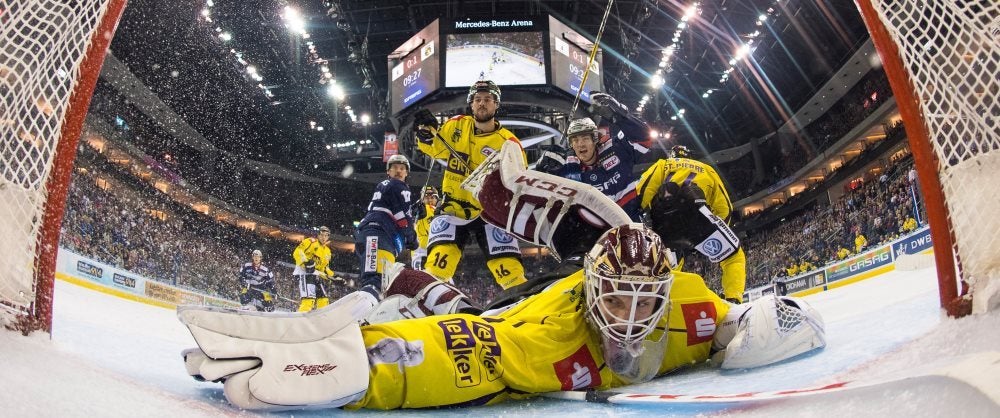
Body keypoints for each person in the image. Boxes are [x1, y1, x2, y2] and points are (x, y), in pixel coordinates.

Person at [179, 145, 826, 411]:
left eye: (642, 301)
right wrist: (366, 373)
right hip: (522, 317)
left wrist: (755, 319)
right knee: (452, 322)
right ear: (590, 287)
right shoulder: (564, 337)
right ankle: (390, 301)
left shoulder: (694, 303)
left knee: (449, 306)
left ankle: (401, 292)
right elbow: (465, 356)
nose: (628, 318)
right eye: (616, 298)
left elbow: (772, 320)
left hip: (522, 305)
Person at [411, 79, 528, 290]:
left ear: (496, 104)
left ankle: (522, 307)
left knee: (510, 272)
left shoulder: (509, 143)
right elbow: (435, 147)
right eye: (477, 100)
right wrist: (424, 133)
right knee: (436, 268)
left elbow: (519, 183)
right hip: (453, 209)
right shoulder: (456, 125)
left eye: (487, 100)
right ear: (471, 104)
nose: (482, 103)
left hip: (490, 213)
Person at [637, 145, 748, 303]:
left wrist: (644, 225)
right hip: (695, 215)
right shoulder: (707, 169)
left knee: (670, 264)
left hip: (663, 221)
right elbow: (725, 208)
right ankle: (734, 299)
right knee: (733, 258)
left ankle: (664, 301)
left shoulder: (663, 164)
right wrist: (714, 232)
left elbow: (641, 193)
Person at [537, 92, 650, 221]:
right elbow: (537, 193)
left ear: (595, 139)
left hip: (629, 227)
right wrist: (541, 172)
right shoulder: (567, 167)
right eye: (575, 140)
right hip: (593, 236)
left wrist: (619, 115)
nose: (580, 144)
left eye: (585, 138)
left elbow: (644, 137)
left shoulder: (617, 149)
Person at [354, 154, 418, 301]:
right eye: (395, 167)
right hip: (379, 235)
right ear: (388, 172)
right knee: (375, 283)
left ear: (406, 172)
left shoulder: (386, 186)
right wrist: (412, 237)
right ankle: (352, 319)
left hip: (375, 235)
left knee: (379, 285)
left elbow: (392, 207)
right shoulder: (400, 187)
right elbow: (402, 218)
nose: (399, 171)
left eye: (402, 168)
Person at [292, 226, 337, 312]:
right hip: (304, 273)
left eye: (326, 235)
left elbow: (324, 268)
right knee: (309, 301)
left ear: (328, 237)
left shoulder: (327, 251)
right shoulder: (310, 242)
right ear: (318, 235)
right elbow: (298, 251)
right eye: (322, 235)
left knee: (324, 300)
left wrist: (334, 276)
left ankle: (320, 321)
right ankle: (299, 322)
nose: (324, 237)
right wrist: (305, 262)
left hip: (316, 275)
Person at [410, 185, 439, 269]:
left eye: (432, 197)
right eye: (426, 197)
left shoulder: (441, 210)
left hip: (436, 250)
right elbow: (412, 212)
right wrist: (416, 208)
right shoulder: (422, 209)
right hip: (421, 252)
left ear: (437, 199)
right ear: (422, 199)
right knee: (422, 279)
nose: (430, 200)